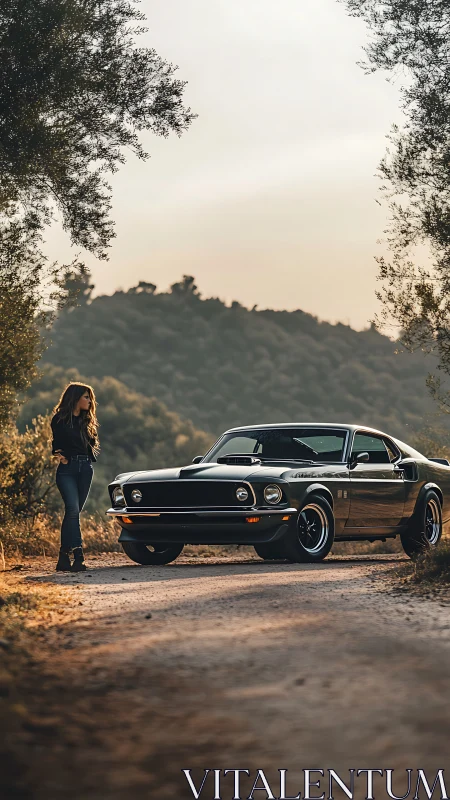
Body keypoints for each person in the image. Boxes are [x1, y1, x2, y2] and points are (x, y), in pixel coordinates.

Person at [51, 382, 100, 572]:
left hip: (85, 469)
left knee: (73, 513)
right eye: (86, 397)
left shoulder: (86, 421)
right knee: (72, 510)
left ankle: (63, 557)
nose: (89, 401)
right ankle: (78, 556)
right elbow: (56, 444)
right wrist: (59, 455)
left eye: (90, 397)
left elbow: (89, 445)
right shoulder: (60, 419)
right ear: (75, 398)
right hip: (67, 470)